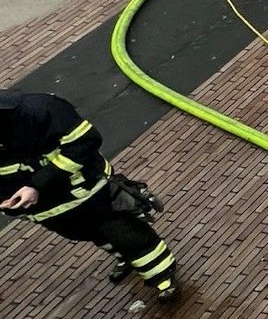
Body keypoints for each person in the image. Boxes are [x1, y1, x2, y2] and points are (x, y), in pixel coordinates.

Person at [1, 90, 180, 303]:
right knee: (94, 236)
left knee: (125, 233)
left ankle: (162, 277)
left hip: (89, 192)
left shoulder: (41, 109)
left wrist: (36, 186)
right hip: (49, 210)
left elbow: (85, 142)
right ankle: (127, 258)